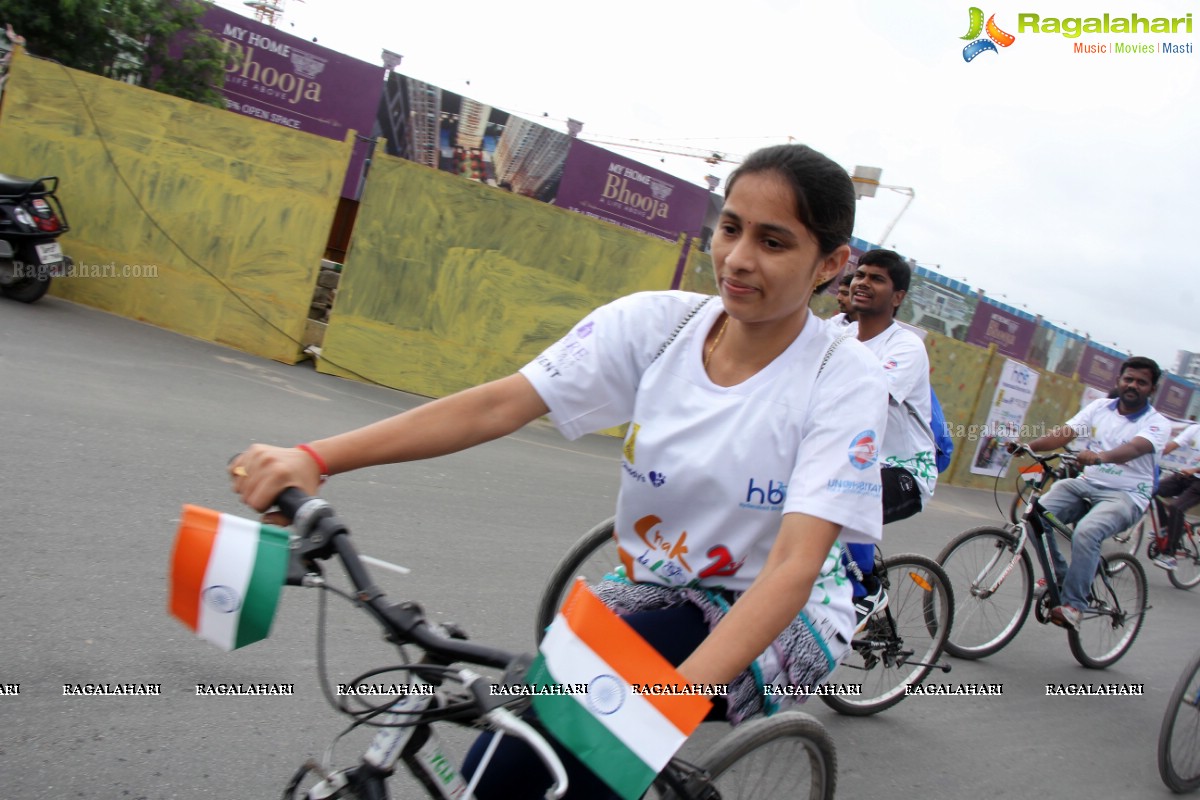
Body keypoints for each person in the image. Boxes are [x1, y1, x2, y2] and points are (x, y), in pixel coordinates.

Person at [230, 143, 888, 799]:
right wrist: (315, 458)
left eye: (774, 242)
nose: (739, 259)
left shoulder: (842, 377)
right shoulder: (657, 325)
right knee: (513, 745)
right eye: (731, 228)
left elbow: (792, 569)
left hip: (773, 615)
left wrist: (663, 705)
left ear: (829, 263)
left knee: (546, 761)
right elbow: (499, 404)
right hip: (655, 587)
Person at [1007, 357, 1169, 629]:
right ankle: (1060, 575)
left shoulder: (1157, 423)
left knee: (1087, 531)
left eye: (1142, 382)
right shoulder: (1099, 408)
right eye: (1128, 379)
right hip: (1087, 484)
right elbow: (1063, 434)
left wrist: (1099, 457)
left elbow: (1135, 448)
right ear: (1119, 380)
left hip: (1127, 495)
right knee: (1035, 516)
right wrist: (1026, 446)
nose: (1133, 385)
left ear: (1152, 390)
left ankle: (1074, 605)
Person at [841, 249, 937, 620]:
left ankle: (869, 588)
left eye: (877, 278)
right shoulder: (840, 332)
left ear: (898, 298)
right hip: (850, 459)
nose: (863, 282)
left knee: (838, 498)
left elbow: (869, 397)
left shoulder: (906, 346)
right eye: (860, 274)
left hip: (904, 470)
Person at [1153, 420, 1200, 569]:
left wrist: (1195, 470)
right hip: (1185, 475)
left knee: (1177, 508)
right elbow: (1172, 445)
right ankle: (1166, 528)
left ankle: (1170, 554)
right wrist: (1152, 454)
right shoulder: (1195, 429)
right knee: (1151, 490)